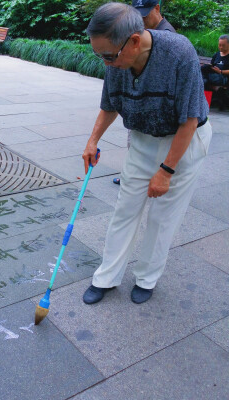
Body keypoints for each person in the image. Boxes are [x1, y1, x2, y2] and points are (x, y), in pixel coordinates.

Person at [82, 3, 211, 305]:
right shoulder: (116, 60)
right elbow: (109, 105)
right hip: (142, 136)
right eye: (98, 55)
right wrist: (92, 140)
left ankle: (147, 278)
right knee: (125, 208)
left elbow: (189, 119)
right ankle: (106, 277)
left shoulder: (179, 53)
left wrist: (166, 171)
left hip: (184, 140)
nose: (106, 63)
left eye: (109, 56)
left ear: (135, 42)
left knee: (163, 216)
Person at [113, 0, 175, 185]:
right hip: (139, 101)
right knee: (134, 143)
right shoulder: (141, 32)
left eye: (145, 14)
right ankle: (132, 174)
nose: (141, 19)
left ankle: (145, 177)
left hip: (153, 105)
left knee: (144, 145)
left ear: (157, 8)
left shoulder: (167, 35)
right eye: (137, 14)